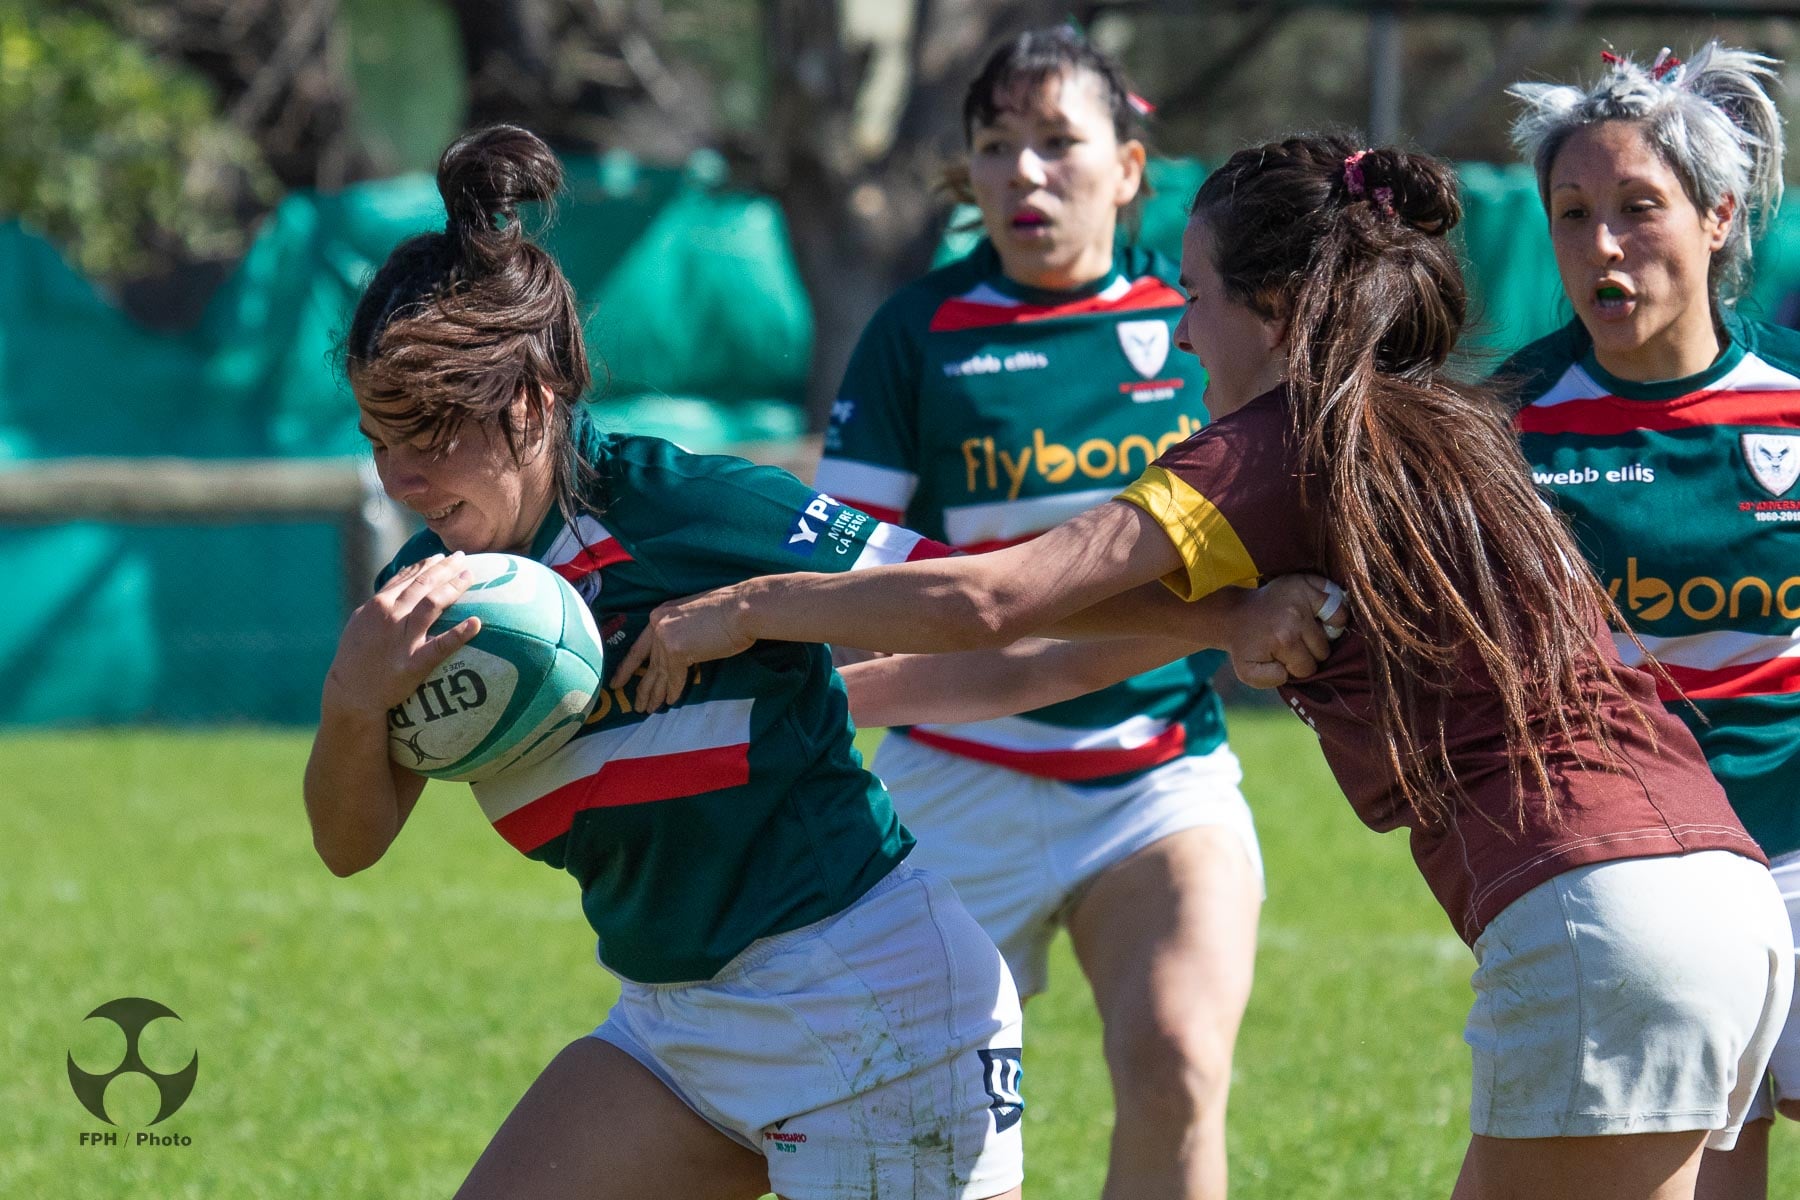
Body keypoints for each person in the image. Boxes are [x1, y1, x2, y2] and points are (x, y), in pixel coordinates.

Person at [616, 134, 1796, 1200]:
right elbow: (1041, 661)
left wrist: (743, 612)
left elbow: (994, 597)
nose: (1181, 331)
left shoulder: (1279, 444)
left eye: (1196, 296)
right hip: (1718, 902)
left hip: (1599, 912)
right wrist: (814, 698)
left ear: (1273, 310)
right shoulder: (1445, 428)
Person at [300, 123, 1334, 1200]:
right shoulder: (420, 603)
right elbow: (348, 844)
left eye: (429, 434)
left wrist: (1227, 619)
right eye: (379, 438)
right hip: (678, 1024)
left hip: (875, 1016)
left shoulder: (686, 512)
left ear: (532, 399)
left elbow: (983, 610)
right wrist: (352, 699)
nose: (400, 477)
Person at [814, 27, 1259, 1198]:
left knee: (1175, 1057)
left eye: (1059, 143)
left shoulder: (1197, 318)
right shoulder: (917, 332)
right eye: (995, 147)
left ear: (1128, 166)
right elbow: (853, 584)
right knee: (911, 1114)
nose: (1024, 174)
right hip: (955, 774)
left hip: (1159, 773)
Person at [1503, 44, 1800, 1200]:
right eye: (1573, 215)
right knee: (1712, 1149)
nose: (1604, 244)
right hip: (1640, 860)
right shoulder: (1505, 428)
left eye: (1639, 208)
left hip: (1794, 837)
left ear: (1719, 216)